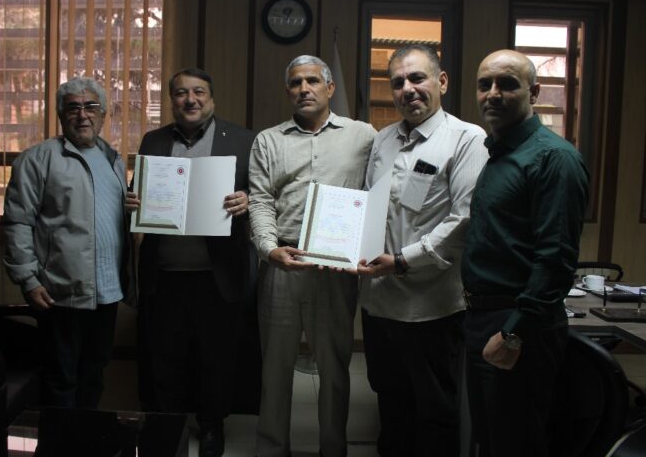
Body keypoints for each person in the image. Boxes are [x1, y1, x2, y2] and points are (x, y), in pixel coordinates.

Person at [356, 44, 489, 456]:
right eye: (398, 82)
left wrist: (401, 261)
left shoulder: (466, 139)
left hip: (431, 307)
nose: (408, 89)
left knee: (434, 411)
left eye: (417, 78)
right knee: (390, 402)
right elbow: (370, 205)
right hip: (379, 303)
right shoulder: (383, 140)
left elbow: (464, 219)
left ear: (441, 81)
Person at [462, 50, 589, 457]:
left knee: (515, 443)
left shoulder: (554, 158)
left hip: (519, 324)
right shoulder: (500, 154)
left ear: (533, 92)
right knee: (490, 438)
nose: (492, 94)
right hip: (483, 317)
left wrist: (515, 333)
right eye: (484, 85)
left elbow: (555, 260)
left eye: (507, 84)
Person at [248, 55, 377, 457]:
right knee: (274, 367)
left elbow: (378, 193)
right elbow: (260, 200)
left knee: (335, 367)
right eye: (295, 82)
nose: (304, 88)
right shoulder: (268, 140)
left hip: (337, 267)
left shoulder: (363, 136)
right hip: (282, 263)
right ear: (288, 90)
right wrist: (269, 249)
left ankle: (333, 449)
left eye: (312, 81)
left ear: (330, 88)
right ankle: (272, 449)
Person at [131, 68, 256, 457]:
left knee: (216, 357)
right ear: (172, 100)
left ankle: (212, 425)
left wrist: (248, 200)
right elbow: (141, 193)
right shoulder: (153, 140)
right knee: (166, 356)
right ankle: (169, 425)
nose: (191, 99)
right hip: (165, 274)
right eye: (181, 93)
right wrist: (133, 200)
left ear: (212, 98)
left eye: (199, 92)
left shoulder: (243, 140)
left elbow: (263, 193)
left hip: (216, 275)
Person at [2, 76, 136, 409]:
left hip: (107, 290)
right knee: (61, 378)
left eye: (90, 106)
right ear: (61, 115)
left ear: (103, 114)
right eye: (73, 108)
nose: (82, 114)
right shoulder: (37, 159)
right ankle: (59, 436)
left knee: (95, 371)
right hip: (61, 291)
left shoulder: (113, 159)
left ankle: (84, 433)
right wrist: (28, 280)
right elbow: (18, 222)